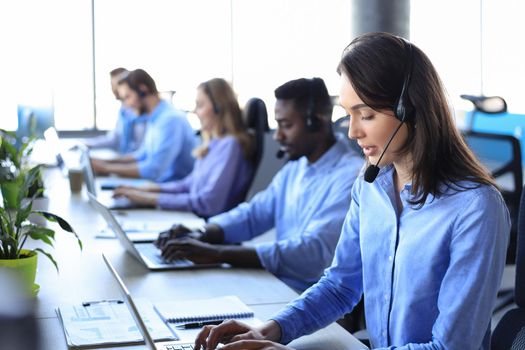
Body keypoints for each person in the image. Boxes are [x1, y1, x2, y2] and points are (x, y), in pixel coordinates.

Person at [193, 32, 511, 350]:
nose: (352, 131)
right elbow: (340, 285)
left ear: (408, 109)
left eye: (367, 115)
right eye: (348, 114)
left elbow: (451, 348)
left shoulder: (475, 207)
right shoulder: (371, 185)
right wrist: (272, 329)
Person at [155, 77, 364, 292]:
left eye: (287, 125)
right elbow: (254, 213)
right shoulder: (296, 168)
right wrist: (203, 232)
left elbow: (312, 252)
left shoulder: (350, 176)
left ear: (317, 120)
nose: (279, 136)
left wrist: (217, 253)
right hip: (276, 283)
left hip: (307, 297)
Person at [112, 78, 254, 218]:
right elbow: (187, 185)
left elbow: (208, 203)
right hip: (194, 217)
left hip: (206, 227)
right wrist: (146, 190)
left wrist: (151, 199)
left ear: (218, 107)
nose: (195, 111)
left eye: (200, 105)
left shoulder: (230, 146)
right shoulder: (212, 144)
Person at [90, 69, 196, 182]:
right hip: (157, 186)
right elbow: (141, 155)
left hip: (173, 190)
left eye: (127, 97)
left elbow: (154, 170)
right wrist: (104, 162)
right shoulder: (154, 117)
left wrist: (106, 168)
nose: (126, 105)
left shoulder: (170, 119)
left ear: (143, 89)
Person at [84, 68, 148, 154]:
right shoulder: (123, 110)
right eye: (112, 84)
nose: (114, 88)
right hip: (126, 159)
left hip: (133, 162)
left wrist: (108, 166)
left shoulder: (144, 111)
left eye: (117, 84)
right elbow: (115, 137)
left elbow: (144, 154)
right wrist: (87, 143)